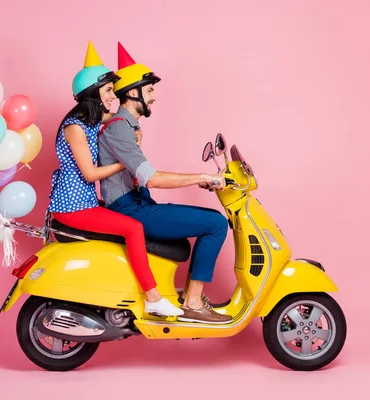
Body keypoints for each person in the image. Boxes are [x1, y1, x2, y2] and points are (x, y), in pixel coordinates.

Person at [97, 42, 233, 324]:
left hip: (137, 204)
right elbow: (152, 178)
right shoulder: (120, 129)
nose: (154, 98)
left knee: (208, 221)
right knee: (216, 223)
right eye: (149, 91)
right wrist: (202, 177)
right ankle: (193, 302)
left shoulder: (129, 127)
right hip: (130, 209)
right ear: (132, 93)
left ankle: (188, 298)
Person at [47, 41, 183, 318]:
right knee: (133, 228)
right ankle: (153, 297)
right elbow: (90, 173)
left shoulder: (91, 119)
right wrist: (126, 162)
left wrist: (137, 132)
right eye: (109, 90)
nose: (114, 96)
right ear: (93, 92)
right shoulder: (75, 127)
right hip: (72, 207)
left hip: (85, 201)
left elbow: (124, 117)